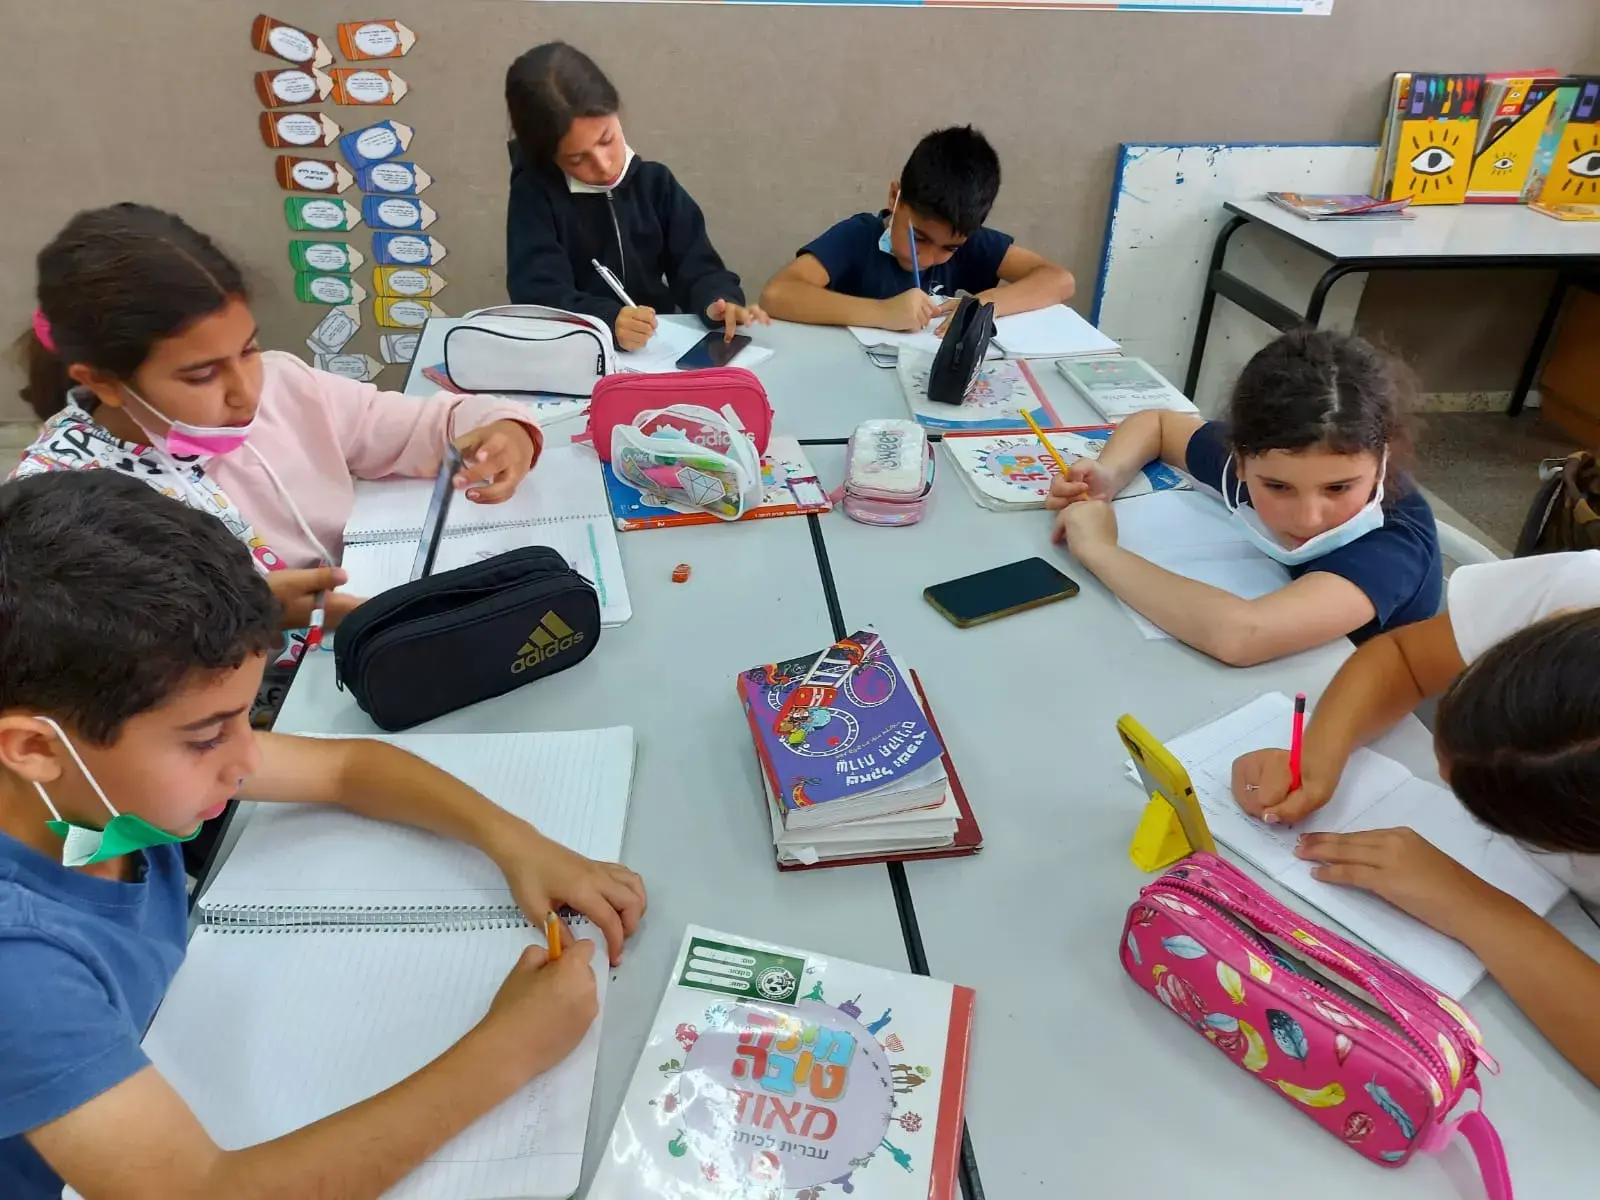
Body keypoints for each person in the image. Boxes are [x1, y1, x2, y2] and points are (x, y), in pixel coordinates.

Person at [0, 471, 647, 1199]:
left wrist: (516, 841)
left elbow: (345, 769)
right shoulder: (19, 964)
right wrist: (511, 1051)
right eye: (206, 737)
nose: (247, 761)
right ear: (34, 748)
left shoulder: (86, 790)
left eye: (246, 718)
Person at [13, 203, 544, 709]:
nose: (245, 392)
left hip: (378, 649)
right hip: (259, 717)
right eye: (201, 375)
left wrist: (505, 430)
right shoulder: (60, 505)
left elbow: (424, 425)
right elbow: (90, 674)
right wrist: (249, 615)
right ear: (104, 382)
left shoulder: (286, 388)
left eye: (247, 350)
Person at [1234, 601, 1600, 1085]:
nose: (1441, 774)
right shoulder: (1572, 597)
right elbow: (1404, 657)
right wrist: (1318, 760)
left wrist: (1472, 907)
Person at [1046, 329, 1441, 665]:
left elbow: (1242, 636)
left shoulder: (1393, 545)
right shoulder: (1267, 455)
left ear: (1383, 461)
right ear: (1239, 461)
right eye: (1278, 488)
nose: (1307, 518)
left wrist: (1098, 548)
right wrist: (1109, 474)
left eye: (1339, 488)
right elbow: (1158, 424)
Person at [505, 42, 766, 350]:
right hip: (582, 352)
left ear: (615, 111)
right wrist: (607, 321)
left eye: (606, 139)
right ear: (547, 156)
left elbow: (698, 266)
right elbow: (538, 294)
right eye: (577, 159)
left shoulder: (655, 183)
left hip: (659, 345)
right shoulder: (535, 196)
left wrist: (717, 301)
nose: (603, 166)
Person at [760, 125, 1074, 333]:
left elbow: (1059, 280)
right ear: (895, 198)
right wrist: (881, 313)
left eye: (948, 248)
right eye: (918, 237)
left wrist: (983, 305)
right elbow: (776, 294)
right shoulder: (857, 237)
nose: (927, 257)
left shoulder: (969, 243)